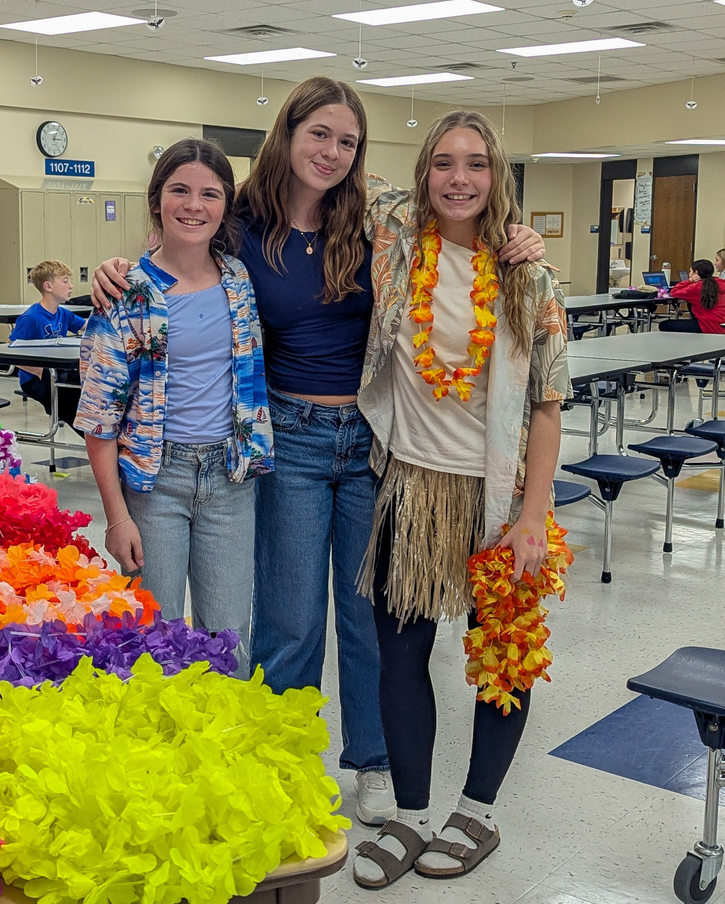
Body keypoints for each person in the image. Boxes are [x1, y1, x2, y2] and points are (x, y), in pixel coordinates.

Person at [90, 77, 545, 826]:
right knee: (291, 620)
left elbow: (464, 215)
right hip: (289, 438)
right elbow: (177, 246)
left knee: (368, 618)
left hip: (375, 438)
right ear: (287, 134)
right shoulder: (241, 222)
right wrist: (115, 270)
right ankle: (285, 762)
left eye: (348, 141)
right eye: (319, 135)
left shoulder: (380, 218)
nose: (332, 153)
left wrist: (521, 238)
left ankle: (369, 762)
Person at [347, 110, 570, 888]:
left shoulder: (527, 276)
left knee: (499, 658)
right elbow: (298, 178)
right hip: (409, 484)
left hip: (501, 497)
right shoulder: (395, 239)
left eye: (476, 164)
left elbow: (547, 402)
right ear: (424, 172)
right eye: (444, 162)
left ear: (496, 175)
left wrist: (532, 516)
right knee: (399, 658)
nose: (459, 178)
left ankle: (478, 809)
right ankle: (410, 813)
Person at [74, 138, 273, 674]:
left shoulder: (238, 280)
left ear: (226, 205)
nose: (194, 205)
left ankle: (221, 750)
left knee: (228, 642)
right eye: (179, 190)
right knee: (153, 646)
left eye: (210, 194)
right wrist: (116, 518)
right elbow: (98, 421)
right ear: (157, 199)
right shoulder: (127, 293)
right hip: (156, 482)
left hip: (231, 478)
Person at [9, 260, 86, 434]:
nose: (71, 286)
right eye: (65, 281)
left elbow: (86, 326)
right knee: (71, 405)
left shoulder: (63, 313)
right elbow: (10, 348)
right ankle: (96, 444)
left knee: (89, 395)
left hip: (60, 373)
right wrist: (37, 369)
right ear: (48, 286)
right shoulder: (31, 317)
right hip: (36, 379)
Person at [660, 259, 725, 333]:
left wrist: (689, 281)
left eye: (690, 271)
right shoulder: (718, 283)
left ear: (696, 273)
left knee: (663, 325)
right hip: (724, 326)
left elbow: (674, 292)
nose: (689, 274)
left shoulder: (697, 287)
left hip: (709, 326)